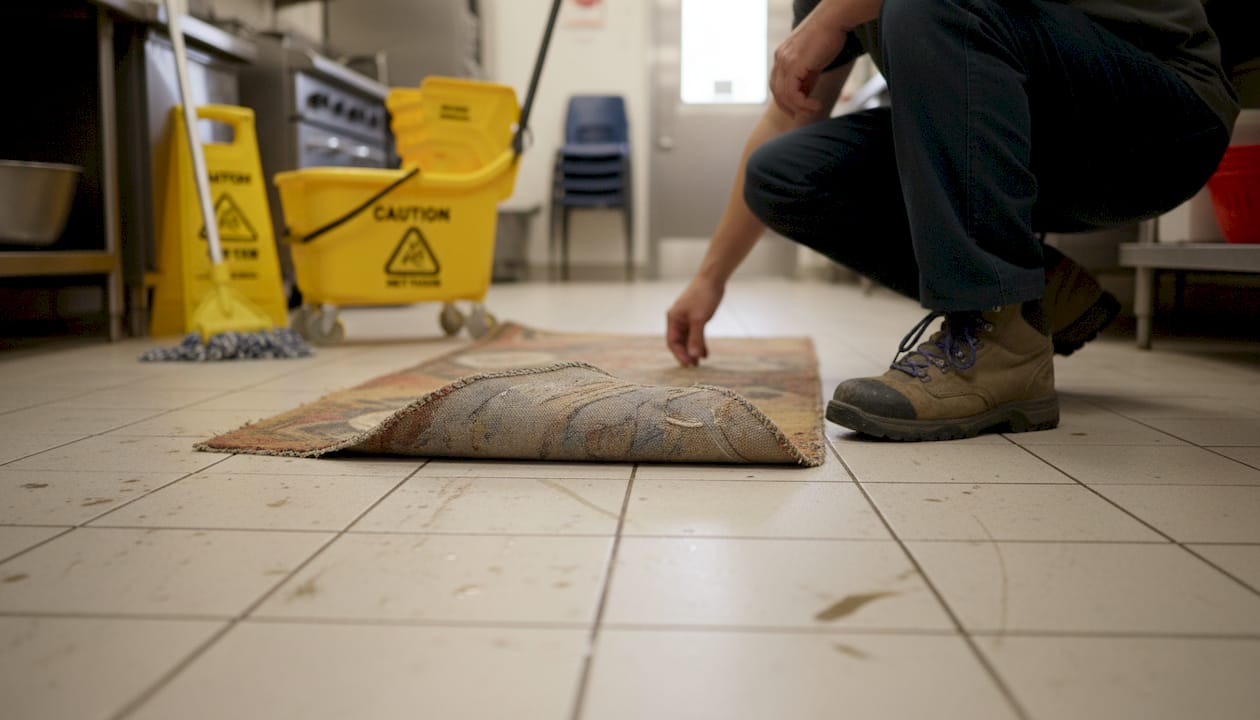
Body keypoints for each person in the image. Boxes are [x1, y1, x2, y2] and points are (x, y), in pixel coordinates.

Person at [666, 0, 1239, 442]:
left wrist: (839, 13)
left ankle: (998, 341)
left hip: (1155, 120)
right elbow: (789, 114)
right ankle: (1039, 292)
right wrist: (710, 276)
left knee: (927, 3)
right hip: (1024, 139)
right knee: (782, 171)